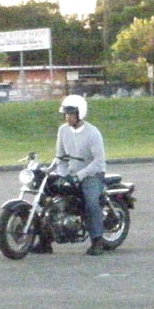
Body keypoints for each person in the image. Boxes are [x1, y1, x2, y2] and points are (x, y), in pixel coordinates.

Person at [52, 94, 107, 256]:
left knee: (91, 202)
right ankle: (44, 241)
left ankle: (97, 240)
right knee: (48, 197)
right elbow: (61, 157)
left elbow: (98, 162)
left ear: (80, 113)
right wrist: (62, 175)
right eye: (66, 113)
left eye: (70, 113)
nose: (67, 117)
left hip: (92, 174)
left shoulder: (93, 133)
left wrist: (79, 176)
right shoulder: (63, 130)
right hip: (71, 173)